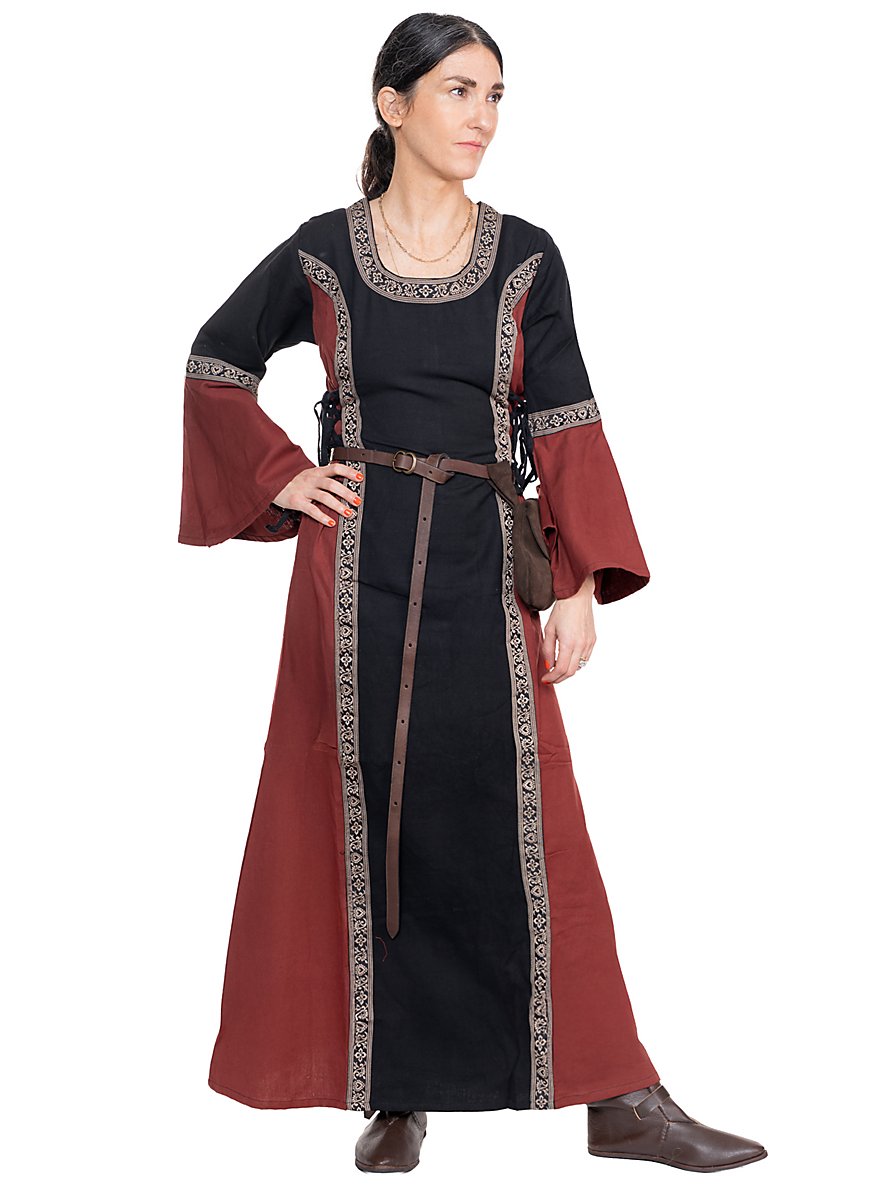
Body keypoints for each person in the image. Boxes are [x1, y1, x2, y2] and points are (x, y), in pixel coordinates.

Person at [178, 12, 767, 1176]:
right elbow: (214, 361)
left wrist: (578, 578)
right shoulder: (321, 253)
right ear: (393, 105)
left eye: (496, 96)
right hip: (352, 572)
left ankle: (618, 1095)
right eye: (459, 91)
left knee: (524, 820)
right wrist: (284, 475)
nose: (483, 118)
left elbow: (565, 420)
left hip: (484, 564)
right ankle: (395, 1090)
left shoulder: (527, 257)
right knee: (367, 818)